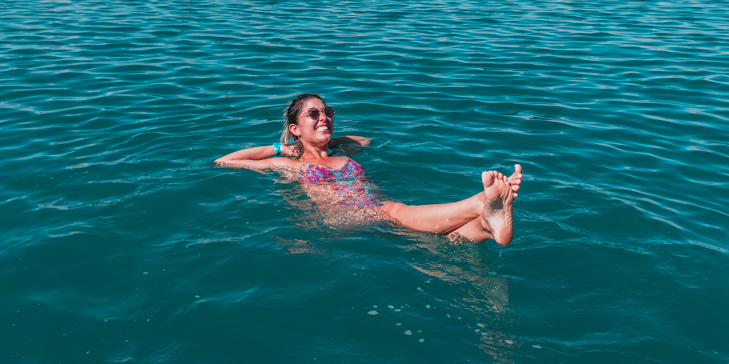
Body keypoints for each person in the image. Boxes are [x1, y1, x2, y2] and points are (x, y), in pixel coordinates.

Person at [215, 94, 522, 245]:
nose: (324, 116)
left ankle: (485, 225)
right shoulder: (289, 165)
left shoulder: (343, 151)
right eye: (314, 114)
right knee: (393, 210)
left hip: (371, 212)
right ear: (295, 128)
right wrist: (280, 147)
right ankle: (480, 202)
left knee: (442, 243)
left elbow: (366, 139)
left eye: (328, 112)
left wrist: (328, 141)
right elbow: (226, 161)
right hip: (344, 218)